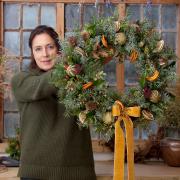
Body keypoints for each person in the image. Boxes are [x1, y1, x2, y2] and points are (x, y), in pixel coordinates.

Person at [11, 25, 96, 180]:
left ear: (59, 49)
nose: (45, 54)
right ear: (32, 52)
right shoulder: (21, 80)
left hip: (78, 171)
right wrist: (71, 65)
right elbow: (42, 85)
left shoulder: (80, 80)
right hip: (35, 172)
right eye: (38, 49)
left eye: (50, 47)